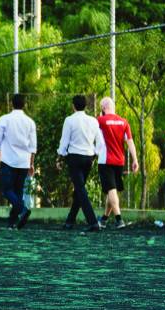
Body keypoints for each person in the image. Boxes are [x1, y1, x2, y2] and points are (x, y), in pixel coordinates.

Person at [56, 94, 106, 232]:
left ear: (73, 106)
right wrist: (95, 154)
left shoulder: (69, 120)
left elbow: (64, 141)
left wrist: (60, 157)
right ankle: (69, 221)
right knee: (79, 190)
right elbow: (100, 142)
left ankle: (93, 222)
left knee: (80, 190)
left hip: (74, 158)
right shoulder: (93, 121)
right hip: (89, 158)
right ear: (86, 106)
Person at [0, 93, 37, 229]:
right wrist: (31, 163)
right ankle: (12, 222)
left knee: (7, 190)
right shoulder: (30, 122)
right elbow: (33, 146)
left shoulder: (4, 119)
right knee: (18, 192)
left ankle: (23, 210)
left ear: (12, 104)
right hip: (23, 162)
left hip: (8, 160)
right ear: (24, 105)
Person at [96, 96, 139, 229]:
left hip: (105, 160)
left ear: (103, 108)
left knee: (111, 190)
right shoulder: (124, 122)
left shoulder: (100, 120)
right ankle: (104, 219)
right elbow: (130, 141)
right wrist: (135, 159)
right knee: (112, 190)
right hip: (120, 161)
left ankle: (119, 219)